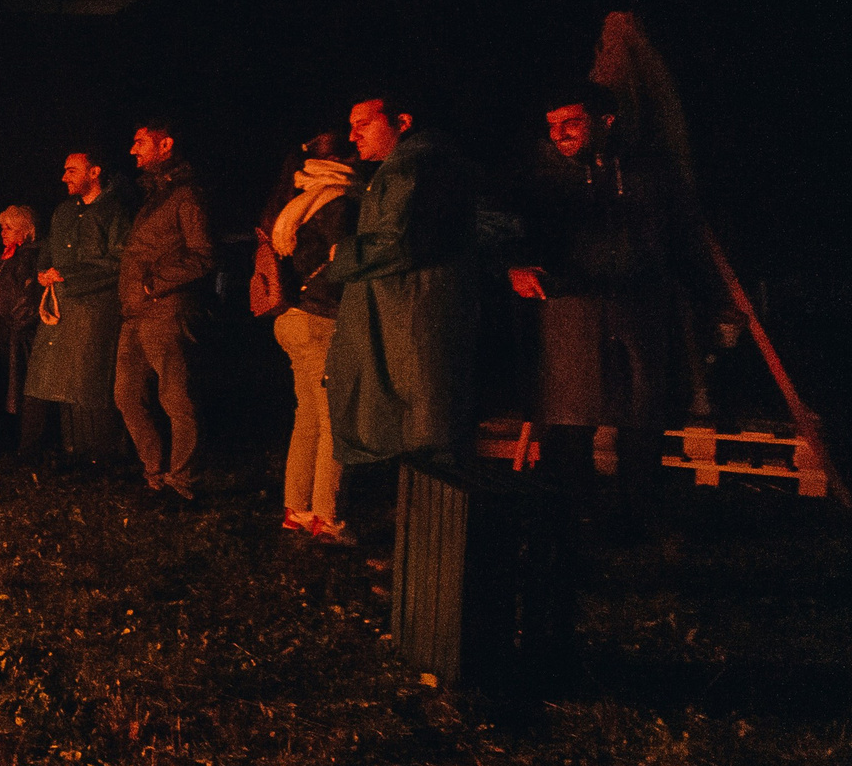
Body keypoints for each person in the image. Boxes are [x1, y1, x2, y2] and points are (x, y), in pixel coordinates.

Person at [505, 79, 687, 506]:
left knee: (641, 419)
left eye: (571, 122)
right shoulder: (541, 173)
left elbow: (677, 236)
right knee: (570, 418)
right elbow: (501, 228)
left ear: (606, 121)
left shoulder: (646, 170)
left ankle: (633, 517)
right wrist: (510, 267)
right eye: (552, 124)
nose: (559, 133)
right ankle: (567, 520)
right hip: (569, 309)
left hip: (637, 305)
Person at [326, 91, 479, 466]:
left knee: (424, 439)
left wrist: (343, 255)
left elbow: (399, 240)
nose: (352, 136)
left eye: (363, 124)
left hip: (411, 326)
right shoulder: (417, 164)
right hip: (412, 322)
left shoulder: (411, 166)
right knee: (423, 434)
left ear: (403, 122)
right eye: (351, 127)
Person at [262, 133, 360, 542]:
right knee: (332, 420)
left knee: (306, 419)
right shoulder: (339, 201)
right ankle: (327, 516)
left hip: (290, 318)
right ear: (341, 159)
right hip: (322, 318)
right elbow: (341, 262)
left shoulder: (298, 198)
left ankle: (295, 507)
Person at [114, 119, 215, 500]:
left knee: (176, 398)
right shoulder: (156, 195)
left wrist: (153, 283)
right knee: (126, 396)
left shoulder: (187, 195)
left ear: (166, 145)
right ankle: (154, 472)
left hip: (165, 309)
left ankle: (183, 481)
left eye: (140, 142)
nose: (132, 150)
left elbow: (204, 255)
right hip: (136, 312)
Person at [21, 151, 129, 462]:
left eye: (72, 170)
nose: (64, 177)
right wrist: (43, 272)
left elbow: (116, 263)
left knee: (86, 381)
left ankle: (97, 454)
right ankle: (37, 451)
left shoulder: (115, 212)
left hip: (94, 311)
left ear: (94, 172)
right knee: (45, 378)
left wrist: (68, 276)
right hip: (58, 309)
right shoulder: (63, 212)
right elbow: (49, 251)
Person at [0, 204, 41, 439]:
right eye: (2, 227)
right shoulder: (3, 258)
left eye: (9, 228)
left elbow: (28, 298)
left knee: (18, 388)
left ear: (26, 231)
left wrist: (15, 324)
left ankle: (22, 441)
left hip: (18, 335)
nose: (3, 232)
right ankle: (0, 438)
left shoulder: (29, 258)